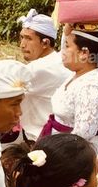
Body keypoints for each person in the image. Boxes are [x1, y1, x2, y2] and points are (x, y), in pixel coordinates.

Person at [44, 25, 98, 158]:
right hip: (62, 149)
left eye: (67, 46)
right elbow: (68, 46)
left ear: (84, 53)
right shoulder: (78, 75)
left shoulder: (91, 89)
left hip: (79, 159)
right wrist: (67, 28)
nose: (62, 52)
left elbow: (80, 139)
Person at [17, 10, 67, 141]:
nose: (22, 44)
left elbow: (3, 86)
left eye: (28, 38)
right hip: (55, 136)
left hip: (40, 139)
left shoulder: (38, 69)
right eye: (22, 37)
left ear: (45, 43)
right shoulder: (57, 60)